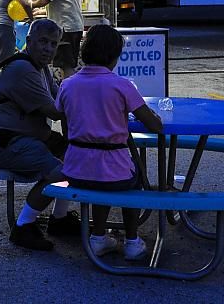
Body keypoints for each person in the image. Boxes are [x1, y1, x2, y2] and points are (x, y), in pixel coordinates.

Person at [55, 24, 163, 260]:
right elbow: (154, 125)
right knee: (134, 180)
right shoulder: (122, 85)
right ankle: (133, 241)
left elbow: (63, 117)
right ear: (114, 55)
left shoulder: (67, 84)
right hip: (113, 169)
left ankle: (98, 237)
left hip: (75, 168)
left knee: (99, 178)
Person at [0, 19, 78, 251]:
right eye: (43, 42)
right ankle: (23, 226)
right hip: (4, 142)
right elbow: (55, 110)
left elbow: (59, 98)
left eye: (53, 44)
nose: (48, 49)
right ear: (29, 41)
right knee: (62, 170)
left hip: (23, 137)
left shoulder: (40, 67)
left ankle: (59, 219)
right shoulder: (23, 69)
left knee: (74, 157)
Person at [31, 0, 85, 77]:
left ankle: (67, 93)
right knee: (66, 65)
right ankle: (66, 91)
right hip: (72, 26)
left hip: (66, 27)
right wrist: (42, 12)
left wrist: (28, 5)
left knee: (66, 65)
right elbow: (62, 4)